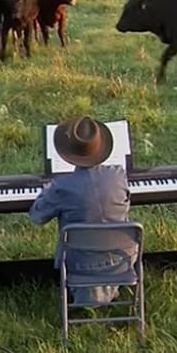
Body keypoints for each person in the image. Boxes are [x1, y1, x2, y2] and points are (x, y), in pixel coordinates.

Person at [28, 116, 138, 305]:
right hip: (124, 258)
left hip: (80, 263)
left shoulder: (61, 186)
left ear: (67, 153)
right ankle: (111, 290)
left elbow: (37, 216)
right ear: (101, 148)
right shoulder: (119, 175)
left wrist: (47, 191)